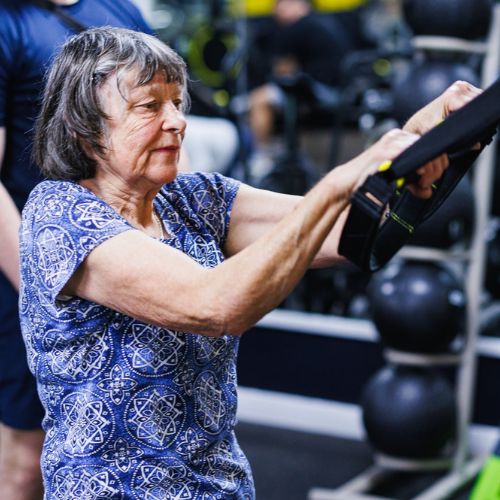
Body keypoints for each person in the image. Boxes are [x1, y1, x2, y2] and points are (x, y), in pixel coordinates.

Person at [19, 26, 479, 498]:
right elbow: (214, 305)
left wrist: (425, 139)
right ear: (83, 127)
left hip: (219, 486)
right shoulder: (61, 216)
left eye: (177, 103)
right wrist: (341, 182)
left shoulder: (192, 198)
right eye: (150, 106)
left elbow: (344, 233)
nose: (176, 120)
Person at [0, 1, 152, 498]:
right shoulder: (8, 22)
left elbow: (162, 121)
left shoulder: (119, 10)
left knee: (123, 449)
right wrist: (44, 288)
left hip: (126, 265)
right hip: (36, 278)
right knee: (28, 461)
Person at [246, 0, 353, 178]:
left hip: (323, 92)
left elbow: (283, 69)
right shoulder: (324, 21)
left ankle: (260, 160)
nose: (275, 11)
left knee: (260, 99)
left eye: (280, 4)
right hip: (342, 90)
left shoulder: (297, 27)